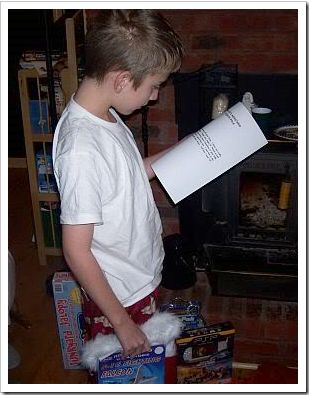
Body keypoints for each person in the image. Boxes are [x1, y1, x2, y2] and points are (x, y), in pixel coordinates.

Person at [52, 9, 183, 359]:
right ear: (123, 79)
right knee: (130, 374)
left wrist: (186, 154)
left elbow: (126, 174)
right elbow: (76, 250)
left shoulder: (106, 115)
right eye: (154, 86)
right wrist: (122, 322)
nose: (154, 96)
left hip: (137, 279)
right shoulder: (80, 149)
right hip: (120, 298)